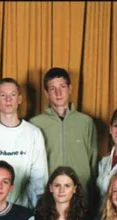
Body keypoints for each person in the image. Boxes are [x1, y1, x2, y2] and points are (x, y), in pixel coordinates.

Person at [0, 78, 48, 209]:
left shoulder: (33, 133)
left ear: (19, 99)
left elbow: (39, 178)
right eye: (3, 95)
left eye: (12, 94)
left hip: (23, 210)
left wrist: (32, 210)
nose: (8, 99)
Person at [30, 68, 98, 204]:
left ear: (70, 89)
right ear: (46, 93)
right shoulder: (35, 124)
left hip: (81, 197)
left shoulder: (86, 122)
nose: (58, 93)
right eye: (53, 88)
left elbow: (93, 162)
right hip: (49, 197)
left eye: (62, 86)